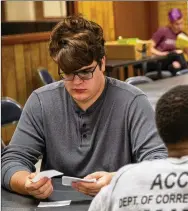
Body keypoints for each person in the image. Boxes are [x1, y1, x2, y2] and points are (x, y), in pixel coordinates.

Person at [1, 16, 167, 199]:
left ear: (102, 63)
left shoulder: (132, 102)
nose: (77, 82)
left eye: (86, 72)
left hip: (115, 209)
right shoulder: (41, 102)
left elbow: (158, 163)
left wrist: (117, 180)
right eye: (68, 73)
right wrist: (26, 183)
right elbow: (12, 161)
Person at [150, 8, 188, 76]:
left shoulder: (182, 35)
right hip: (160, 60)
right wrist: (162, 54)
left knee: (175, 65)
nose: (179, 26)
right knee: (176, 54)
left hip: (172, 62)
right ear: (170, 23)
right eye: (177, 24)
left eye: (181, 23)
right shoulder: (163, 31)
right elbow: (149, 48)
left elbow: (187, 54)